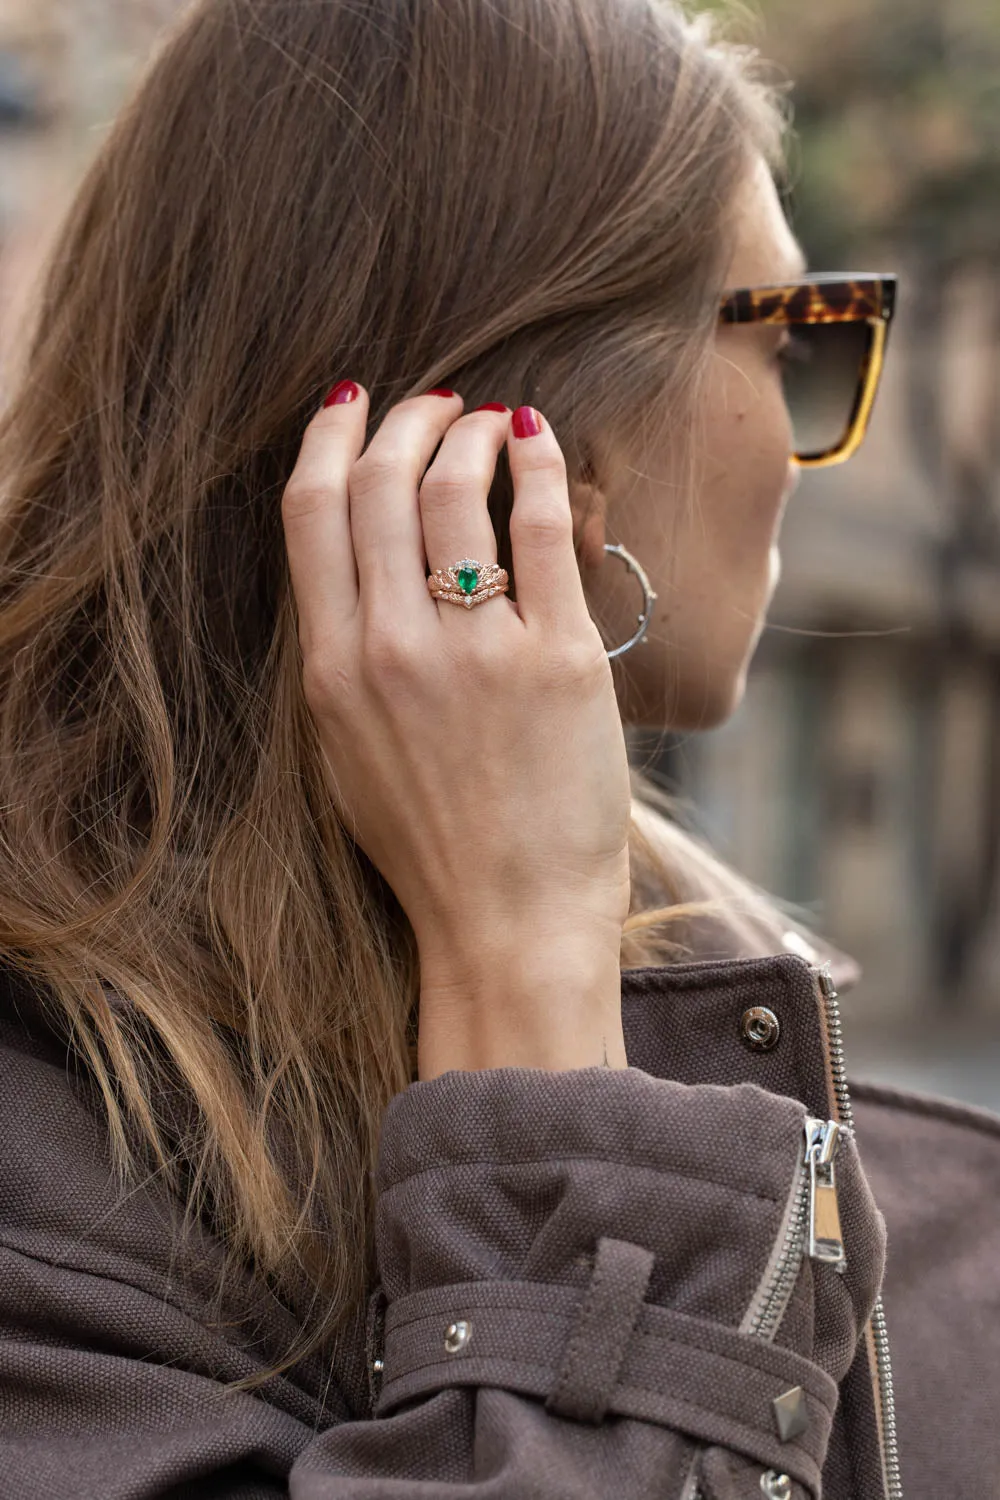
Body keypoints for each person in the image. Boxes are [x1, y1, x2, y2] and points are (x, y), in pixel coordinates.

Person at [0, 0, 996, 1495]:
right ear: (525, 447)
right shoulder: (47, 1169)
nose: (802, 449)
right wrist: (521, 966)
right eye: (792, 337)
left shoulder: (803, 1076)